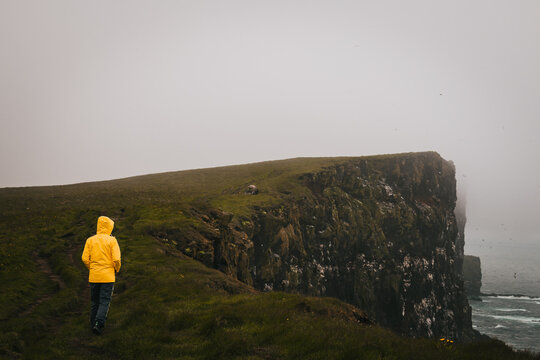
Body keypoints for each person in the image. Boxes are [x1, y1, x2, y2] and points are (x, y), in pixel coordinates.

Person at [82, 216, 121, 335]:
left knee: (94, 301)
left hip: (94, 276)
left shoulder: (90, 240)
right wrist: (116, 269)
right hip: (108, 277)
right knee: (104, 301)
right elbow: (116, 259)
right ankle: (99, 324)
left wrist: (92, 268)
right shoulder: (112, 240)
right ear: (110, 227)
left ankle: (92, 323)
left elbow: (84, 258)